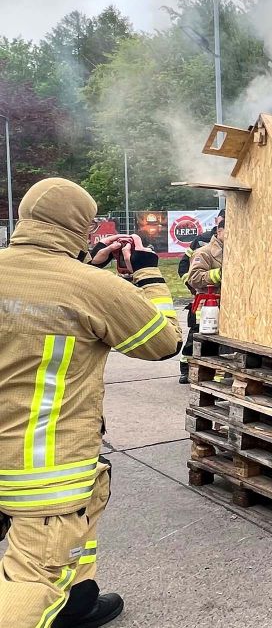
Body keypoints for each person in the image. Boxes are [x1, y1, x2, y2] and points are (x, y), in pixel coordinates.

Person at [0, 178, 182, 628]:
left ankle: (78, 603)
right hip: (43, 467)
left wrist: (84, 263)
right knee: (36, 575)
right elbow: (164, 341)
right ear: (80, 227)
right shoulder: (92, 287)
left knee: (76, 533)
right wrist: (147, 272)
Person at [178, 209, 224, 382]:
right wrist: (220, 274)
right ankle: (187, 369)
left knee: (218, 345)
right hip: (206, 307)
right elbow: (193, 276)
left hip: (225, 307)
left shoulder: (236, 250)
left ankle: (216, 378)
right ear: (219, 230)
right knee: (196, 340)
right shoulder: (203, 249)